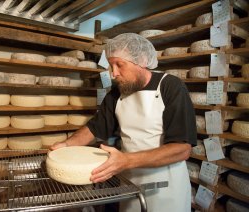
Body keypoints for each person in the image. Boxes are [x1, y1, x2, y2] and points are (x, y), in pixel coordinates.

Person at [51, 33, 197, 212]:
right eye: (111, 65)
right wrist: (67, 144)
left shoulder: (171, 87)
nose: (114, 73)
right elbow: (95, 127)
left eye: (119, 65)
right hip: (129, 183)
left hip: (167, 188)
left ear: (142, 61)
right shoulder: (116, 93)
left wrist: (126, 160)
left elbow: (182, 149)